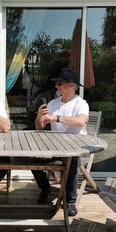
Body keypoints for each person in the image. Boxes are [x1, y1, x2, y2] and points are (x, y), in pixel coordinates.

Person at [33, 68, 89, 216]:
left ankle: (70, 201)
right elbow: (39, 127)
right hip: (55, 146)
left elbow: (80, 121)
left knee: (71, 162)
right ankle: (46, 189)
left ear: (71, 85)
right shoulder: (53, 103)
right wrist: (39, 116)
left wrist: (55, 118)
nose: (56, 86)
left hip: (73, 146)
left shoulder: (80, 103)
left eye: (59, 83)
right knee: (30, 158)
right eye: (56, 84)